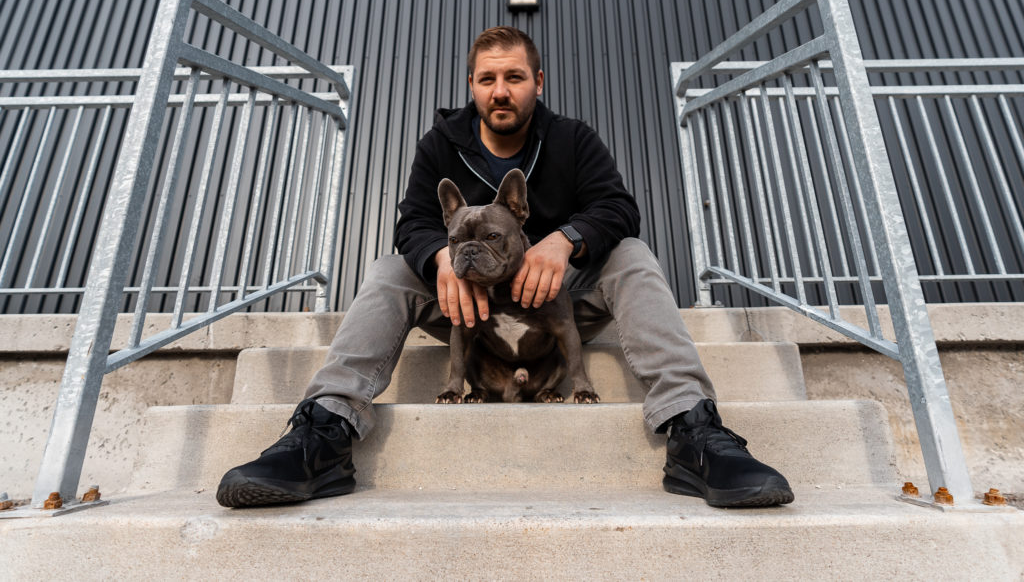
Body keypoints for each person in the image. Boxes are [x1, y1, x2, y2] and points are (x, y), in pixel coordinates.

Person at [216, 26, 794, 509]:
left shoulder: (571, 139)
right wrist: (439, 256)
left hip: (558, 306)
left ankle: (693, 428)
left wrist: (565, 240)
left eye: (514, 77)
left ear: (537, 83)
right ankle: (323, 431)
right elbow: (412, 222)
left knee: (634, 255)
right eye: (488, 78)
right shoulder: (440, 144)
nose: (500, 90)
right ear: (472, 85)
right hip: (468, 311)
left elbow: (617, 207)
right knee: (389, 270)